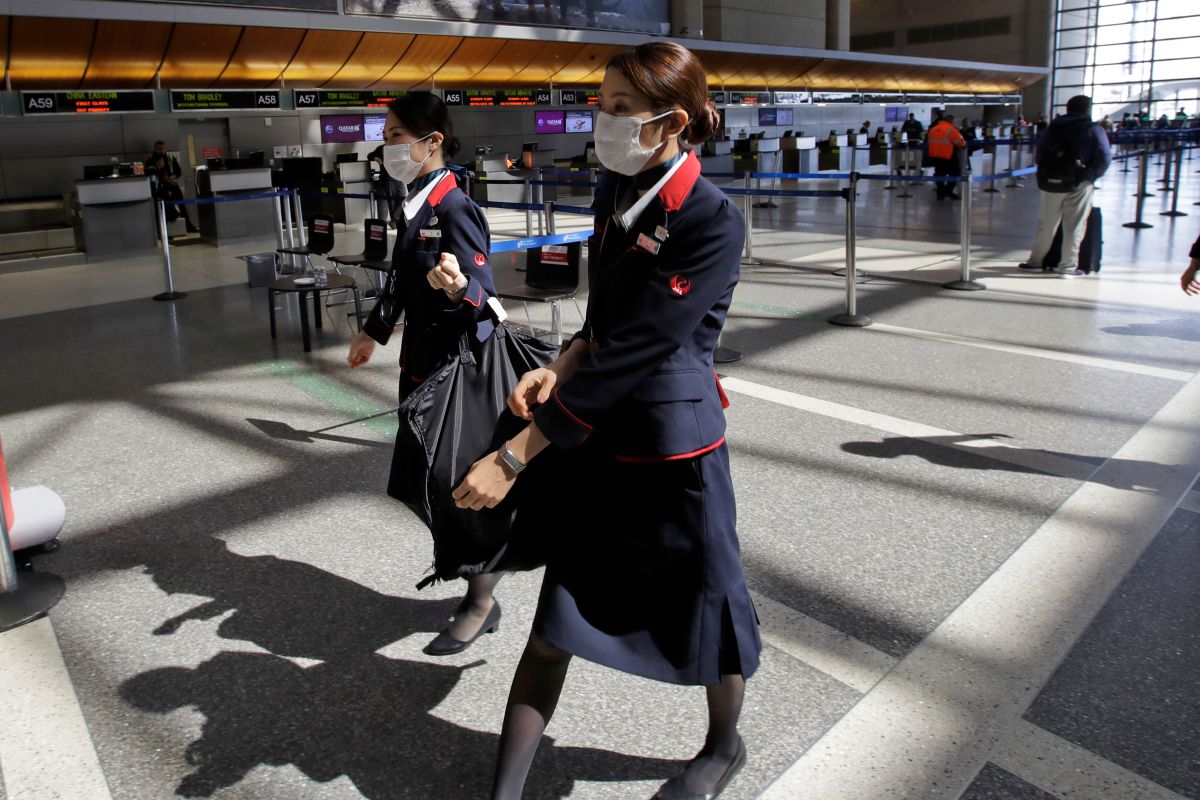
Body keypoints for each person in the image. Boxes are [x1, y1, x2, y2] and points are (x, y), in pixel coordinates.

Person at [451, 41, 761, 800]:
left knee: (708, 611)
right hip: (598, 442)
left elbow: (643, 352)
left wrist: (516, 456)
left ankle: (722, 748)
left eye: (621, 109)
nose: (603, 121)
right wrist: (559, 363)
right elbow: (605, 327)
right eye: (602, 104)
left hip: (672, 451)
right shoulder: (616, 191)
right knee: (557, 622)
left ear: (672, 121)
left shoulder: (713, 221)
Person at [345, 92, 505, 657]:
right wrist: (374, 330)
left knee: (456, 485)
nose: (386, 145)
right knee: (426, 481)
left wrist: (462, 290)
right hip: (421, 362)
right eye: (386, 134)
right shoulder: (410, 201)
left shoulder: (456, 207)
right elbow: (399, 278)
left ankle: (482, 600)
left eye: (394, 135)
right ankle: (469, 576)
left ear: (431, 141)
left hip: (456, 368)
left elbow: (485, 297)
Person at [1018, 95, 1112, 278]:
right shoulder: (1094, 129)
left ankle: (1036, 261)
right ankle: (1067, 267)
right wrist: (1088, 178)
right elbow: (1104, 157)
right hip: (1078, 183)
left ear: (1067, 108)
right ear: (1087, 110)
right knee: (1074, 225)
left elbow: (1040, 153)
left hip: (1051, 182)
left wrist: (1047, 174)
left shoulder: (1052, 128)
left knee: (1046, 224)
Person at [145, 141, 198, 233]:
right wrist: (167, 179)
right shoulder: (150, 160)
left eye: (163, 148)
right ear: (155, 149)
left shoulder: (170, 158)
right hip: (161, 188)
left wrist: (172, 177)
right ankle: (166, 231)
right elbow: (156, 175)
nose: (161, 151)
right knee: (164, 208)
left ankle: (188, 226)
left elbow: (178, 172)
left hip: (173, 185)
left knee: (182, 205)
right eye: (159, 149)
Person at [927, 112, 966, 200]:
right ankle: (948, 191)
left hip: (934, 156)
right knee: (955, 173)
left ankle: (940, 193)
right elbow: (960, 143)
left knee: (939, 174)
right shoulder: (951, 129)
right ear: (951, 121)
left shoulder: (933, 129)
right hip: (947, 155)